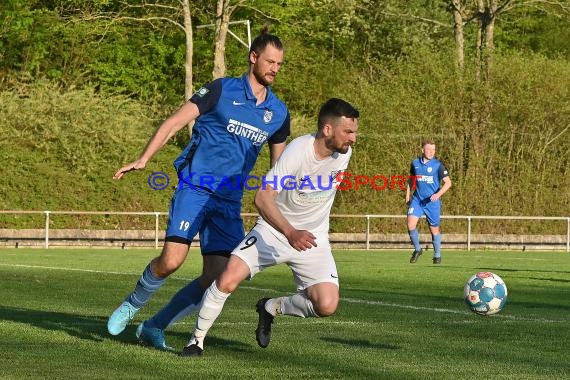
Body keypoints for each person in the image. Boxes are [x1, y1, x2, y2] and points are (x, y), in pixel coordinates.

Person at [107, 29, 291, 350]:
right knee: (171, 261)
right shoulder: (221, 90)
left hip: (228, 201)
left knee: (219, 277)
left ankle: (155, 326)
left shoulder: (277, 113)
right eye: (270, 61)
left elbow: (279, 168)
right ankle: (132, 304)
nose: (275, 68)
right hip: (195, 188)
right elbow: (175, 121)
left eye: (279, 64)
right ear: (253, 57)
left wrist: (285, 202)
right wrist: (143, 158)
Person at [178, 98, 359, 356]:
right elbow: (262, 198)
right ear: (327, 130)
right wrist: (290, 232)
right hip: (275, 231)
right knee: (228, 278)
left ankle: (270, 307)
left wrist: (301, 232)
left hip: (313, 237)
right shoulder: (297, 152)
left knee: (326, 305)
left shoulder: (343, 154)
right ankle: (196, 341)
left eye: (354, 132)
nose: (353, 139)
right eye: (348, 132)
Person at [405, 140, 452, 264]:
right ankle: (418, 249)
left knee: (434, 229)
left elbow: (448, 183)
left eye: (433, 150)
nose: (431, 152)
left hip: (432, 203)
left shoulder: (438, 165)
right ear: (422, 150)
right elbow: (411, 180)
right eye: (428, 149)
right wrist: (407, 195)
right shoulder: (415, 163)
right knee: (410, 224)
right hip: (417, 200)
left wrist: (438, 194)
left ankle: (437, 255)